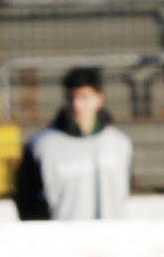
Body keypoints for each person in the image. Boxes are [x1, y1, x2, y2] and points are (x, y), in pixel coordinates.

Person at [13, 66, 133, 220]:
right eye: (71, 98)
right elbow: (26, 200)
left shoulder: (119, 143)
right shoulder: (41, 146)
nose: (76, 105)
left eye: (84, 97)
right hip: (61, 234)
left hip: (110, 233)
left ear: (99, 99)